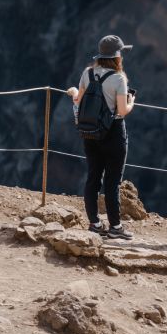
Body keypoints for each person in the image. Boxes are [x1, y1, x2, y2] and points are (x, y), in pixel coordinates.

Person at [66, 35, 135, 240]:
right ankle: (115, 227)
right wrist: (133, 102)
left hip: (91, 133)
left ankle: (95, 223)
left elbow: (80, 98)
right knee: (113, 181)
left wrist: (73, 92)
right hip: (113, 132)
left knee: (93, 177)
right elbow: (122, 110)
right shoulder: (119, 78)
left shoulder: (88, 73)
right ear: (116, 56)